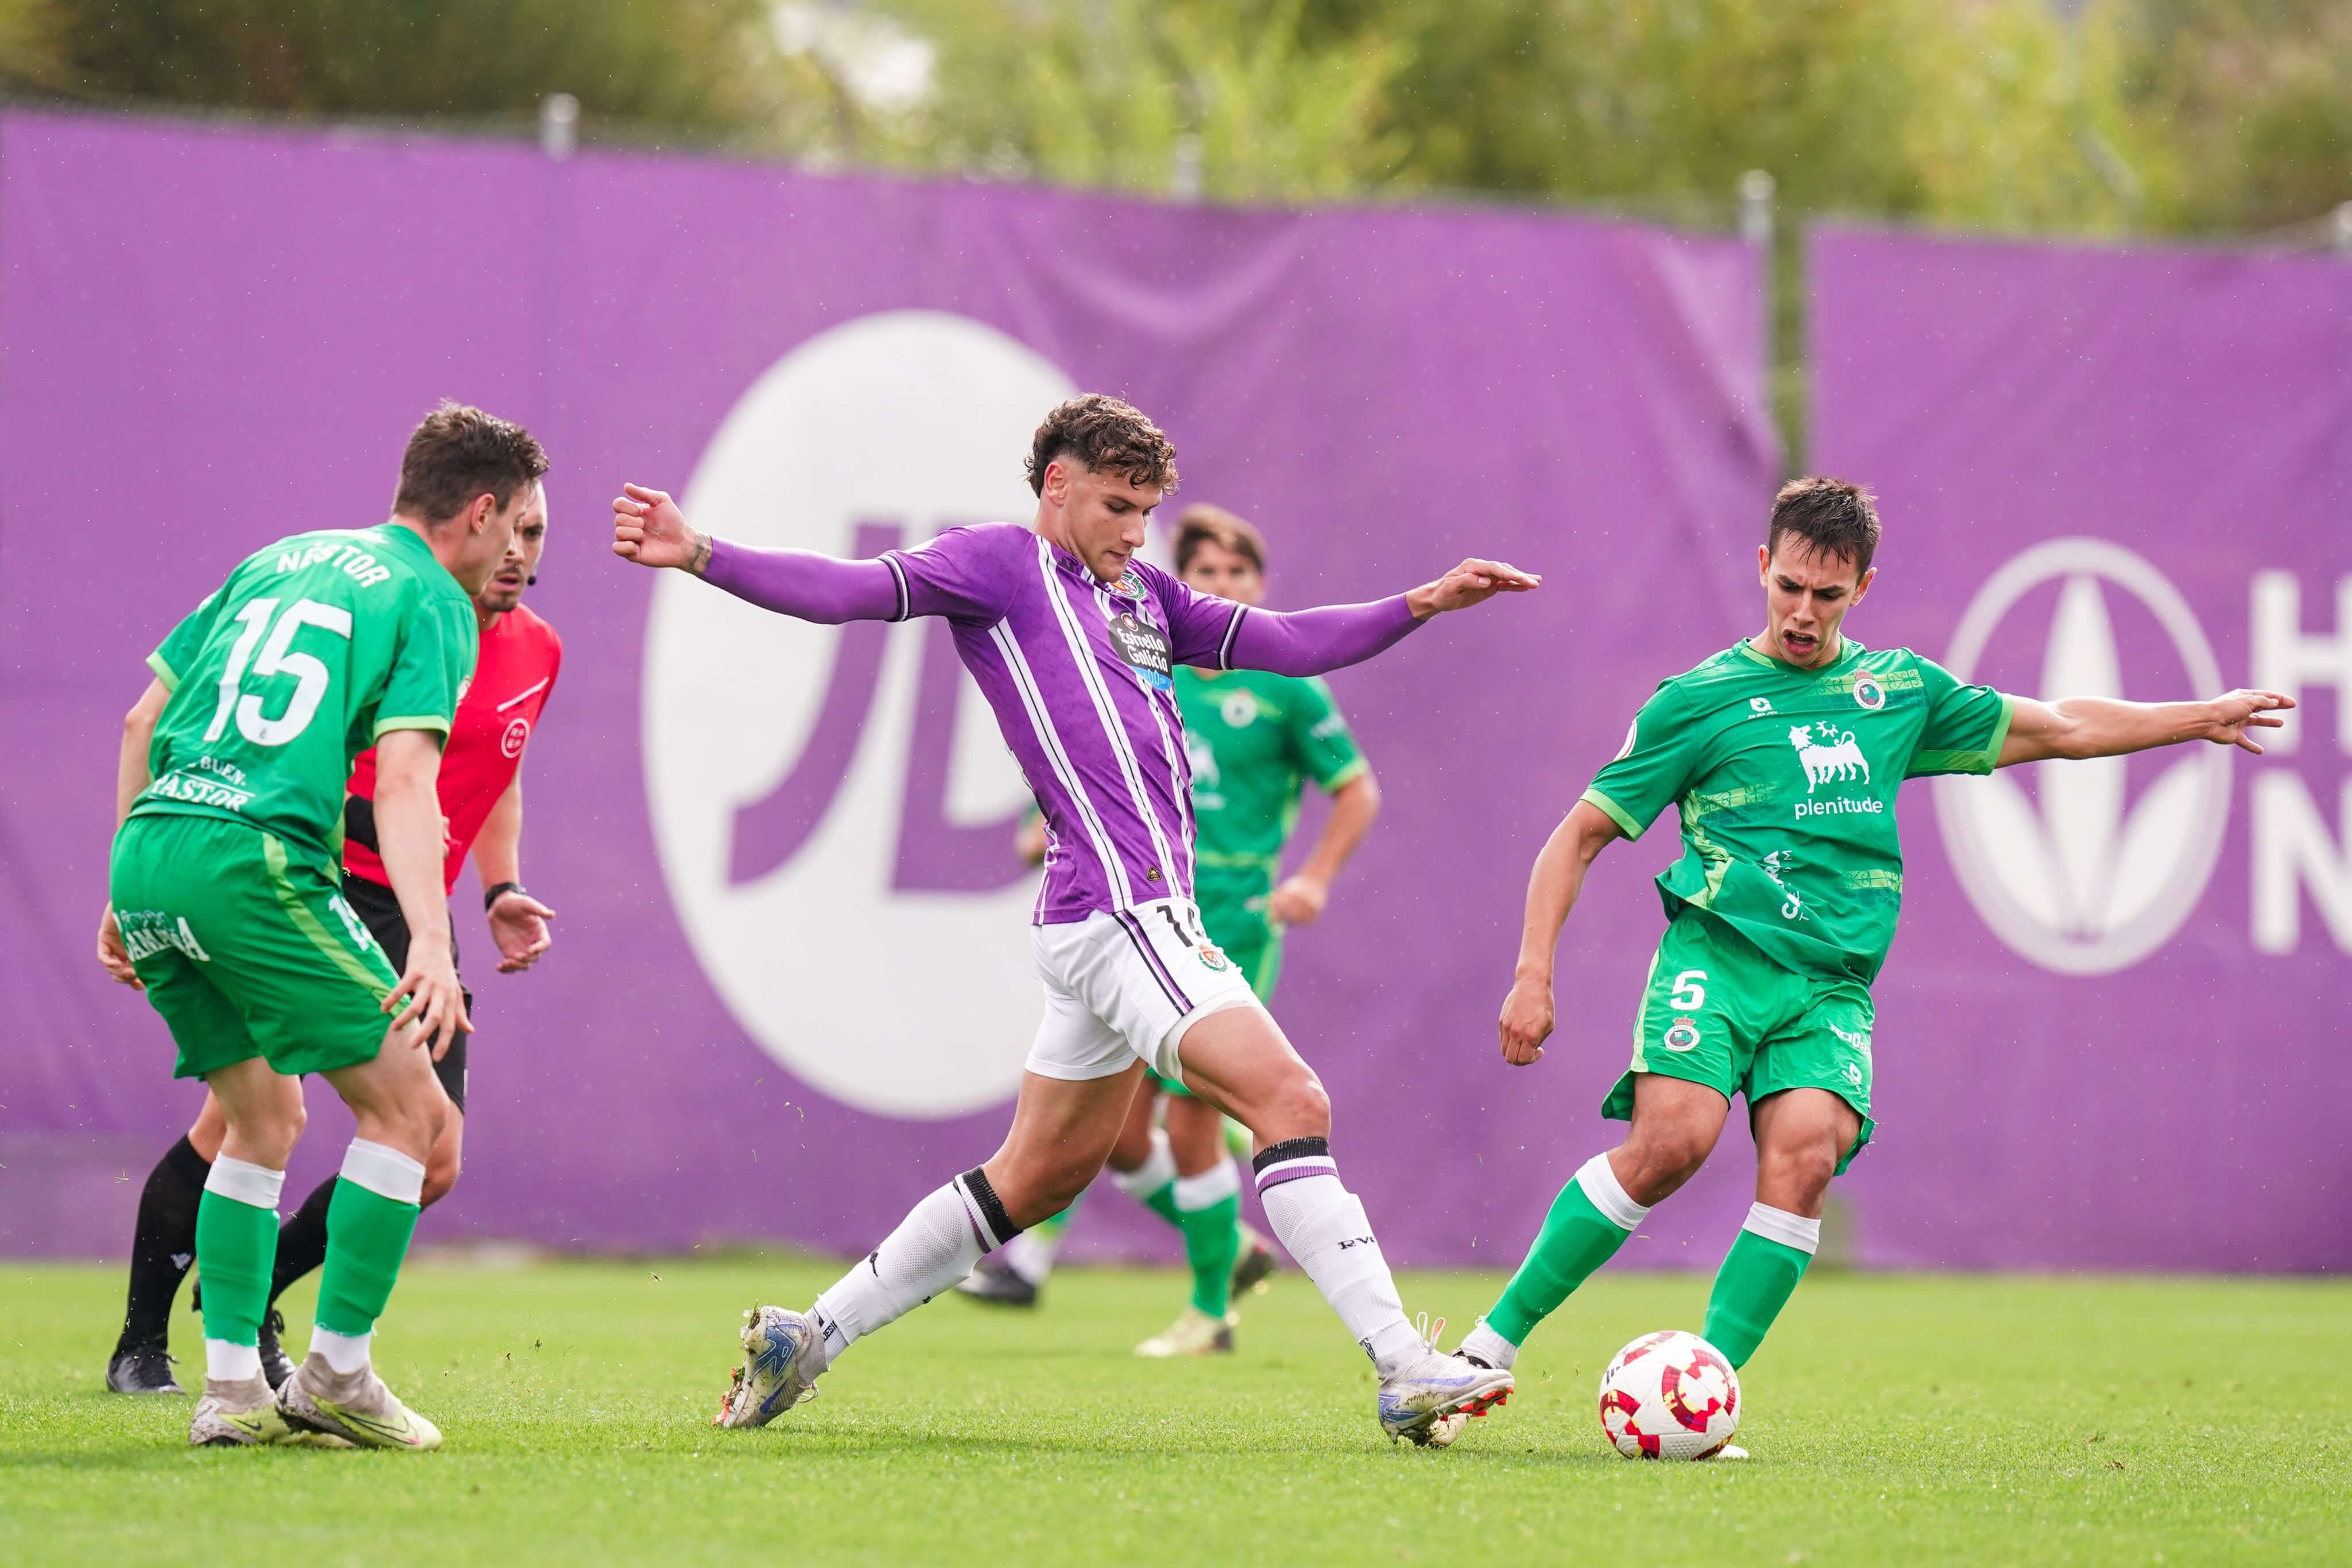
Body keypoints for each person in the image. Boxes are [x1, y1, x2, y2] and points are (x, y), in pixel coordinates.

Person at [613, 393, 1538, 1444]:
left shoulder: (1145, 594)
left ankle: (809, 1337)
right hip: (1122, 909)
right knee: (1289, 1096)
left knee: (1039, 1174)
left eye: (1146, 510)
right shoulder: (999, 565)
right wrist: (702, 554)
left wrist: (1420, 601)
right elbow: (849, 593)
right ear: (1056, 482)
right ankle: (1403, 1366)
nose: (1134, 533)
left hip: (1099, 920)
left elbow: (1286, 642)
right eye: (1116, 505)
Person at [1443, 477, 2290, 1456]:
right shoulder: (1698, 701)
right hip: (1719, 960)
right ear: (1763, 568)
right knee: (1674, 1140)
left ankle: (1697, 1398)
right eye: (1791, 586)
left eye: (1829, 595)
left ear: (1864, 588)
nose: (1804, 613)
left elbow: (2058, 727)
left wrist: (2202, 716)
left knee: (1804, 1158)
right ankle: (1485, 1350)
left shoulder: (1899, 695)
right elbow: (1578, 836)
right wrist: (1532, 973)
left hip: (1830, 988)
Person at [98, 402, 547, 1448]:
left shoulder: (282, 554)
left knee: (262, 1122)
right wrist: (434, 943)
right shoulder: (432, 595)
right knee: (416, 1118)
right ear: (478, 512)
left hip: (154, 849)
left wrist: (120, 892)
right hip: (254, 860)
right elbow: (403, 780)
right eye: (517, 524)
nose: (518, 551)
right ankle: (339, 1373)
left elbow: (139, 723)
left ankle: (233, 1399)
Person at [961, 506, 1382, 1360]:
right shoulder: (1153, 664)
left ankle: (1210, 1311)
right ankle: (1233, 1250)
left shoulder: (1285, 686)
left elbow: (1357, 790)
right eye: (1207, 573)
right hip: (1139, 907)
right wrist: (1053, 822)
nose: (1222, 586)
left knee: (1194, 1123)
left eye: (1238, 573)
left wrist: (1313, 879)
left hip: (1233, 917)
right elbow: (1089, 753)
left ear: (1258, 586)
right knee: (1116, 1136)